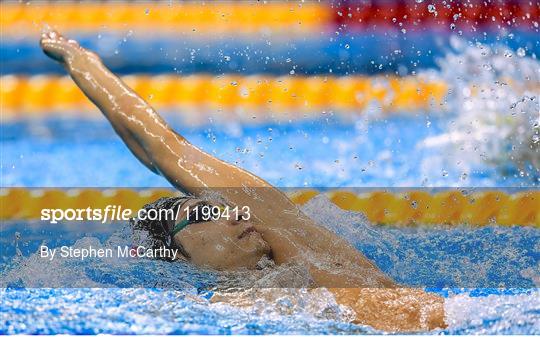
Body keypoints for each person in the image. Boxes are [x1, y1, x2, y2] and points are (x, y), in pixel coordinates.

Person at [40, 29, 446, 332]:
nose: (230, 211)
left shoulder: (297, 242)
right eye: (206, 212)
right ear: (181, 258)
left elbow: (164, 147)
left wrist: (79, 60)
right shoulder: (219, 313)